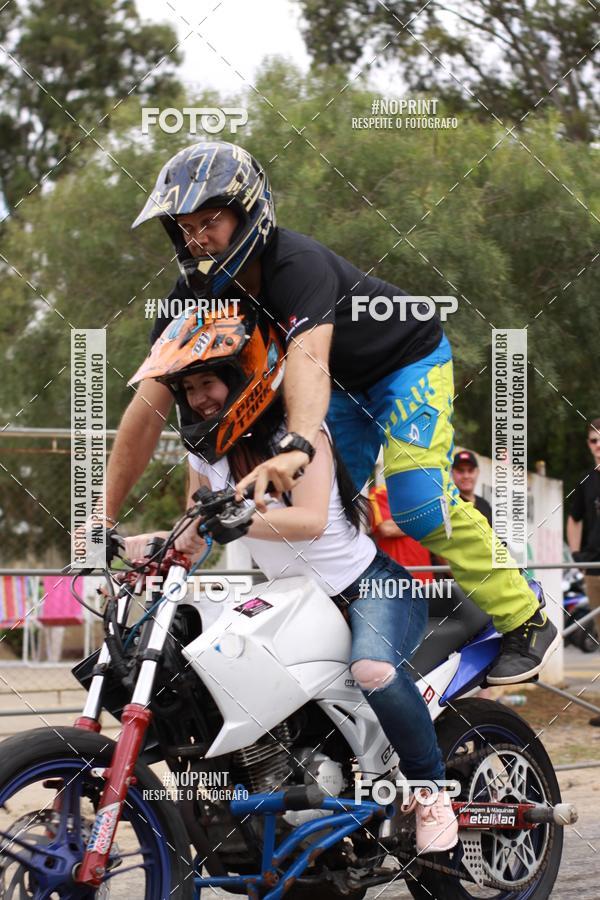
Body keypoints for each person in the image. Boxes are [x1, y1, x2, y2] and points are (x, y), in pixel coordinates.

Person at [105, 139, 558, 685]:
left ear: (249, 212)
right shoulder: (191, 295)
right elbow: (150, 402)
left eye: (209, 221)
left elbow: (309, 357)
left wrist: (296, 444)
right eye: (184, 226)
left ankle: (523, 614)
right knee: (336, 512)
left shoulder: (296, 263)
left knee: (414, 503)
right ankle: (381, 643)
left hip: (404, 362)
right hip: (339, 389)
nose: (196, 237)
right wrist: (99, 516)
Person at [125, 308, 459, 854]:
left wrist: (233, 518)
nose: (198, 398)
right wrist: (157, 543)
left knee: (373, 669)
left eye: (206, 381)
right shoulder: (203, 455)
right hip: (298, 602)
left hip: (368, 586)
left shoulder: (298, 437)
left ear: (239, 376)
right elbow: (196, 531)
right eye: (186, 389)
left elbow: (310, 522)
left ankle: (431, 792)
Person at [567, 418, 600, 619]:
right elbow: (574, 518)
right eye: (593, 440)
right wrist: (576, 553)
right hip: (594, 569)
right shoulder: (586, 480)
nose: (598, 445)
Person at [369, 483, 434, 582]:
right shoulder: (380, 492)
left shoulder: (425, 491)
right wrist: (425, 520)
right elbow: (387, 529)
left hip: (425, 577)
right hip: (394, 579)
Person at [451, 450, 493, 527]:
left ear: (477, 472)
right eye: (460, 471)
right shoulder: (449, 504)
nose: (466, 476)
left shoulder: (485, 504)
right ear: (452, 473)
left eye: (470, 470)